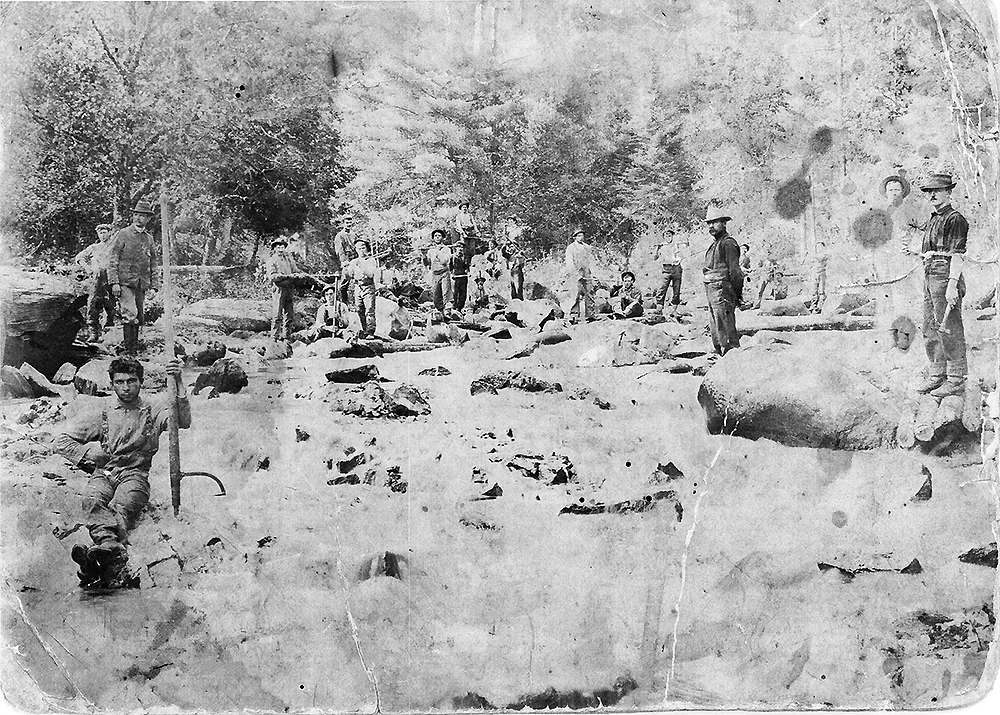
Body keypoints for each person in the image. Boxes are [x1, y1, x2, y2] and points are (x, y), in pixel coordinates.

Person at [54, 356, 190, 586]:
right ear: (111, 383)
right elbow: (61, 441)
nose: (126, 388)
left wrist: (178, 380)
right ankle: (108, 549)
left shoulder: (154, 409)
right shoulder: (103, 412)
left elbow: (182, 422)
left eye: (131, 381)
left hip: (135, 475)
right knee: (91, 501)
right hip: (104, 473)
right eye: (120, 382)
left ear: (141, 382)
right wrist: (88, 455)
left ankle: (96, 560)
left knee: (121, 505)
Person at [911, 172, 969, 397]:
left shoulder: (955, 219)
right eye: (929, 191)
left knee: (950, 327)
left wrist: (953, 285)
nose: (932, 195)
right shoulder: (934, 218)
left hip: (945, 274)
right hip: (929, 273)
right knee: (929, 326)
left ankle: (955, 378)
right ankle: (937, 374)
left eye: (937, 191)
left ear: (949, 192)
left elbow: (958, 254)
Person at [108, 201, 157, 354]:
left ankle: (134, 348)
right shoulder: (123, 234)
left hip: (141, 283)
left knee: (139, 316)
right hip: (125, 282)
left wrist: (155, 285)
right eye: (136, 214)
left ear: (148, 219)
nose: (138, 218)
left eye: (142, 216)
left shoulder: (149, 239)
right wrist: (114, 282)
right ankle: (130, 351)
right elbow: (113, 258)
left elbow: (153, 262)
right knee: (130, 313)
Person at [702, 206, 744, 356]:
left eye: (715, 222)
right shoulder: (714, 244)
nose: (711, 226)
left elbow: (735, 272)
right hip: (712, 290)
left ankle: (731, 356)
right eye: (709, 223)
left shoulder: (728, 243)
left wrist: (737, 294)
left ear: (724, 223)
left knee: (725, 327)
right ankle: (720, 354)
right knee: (716, 327)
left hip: (723, 290)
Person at [75, 223, 116, 342]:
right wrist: (88, 269)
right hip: (96, 280)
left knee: (110, 305)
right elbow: (79, 258)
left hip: (110, 279)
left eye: (105, 232)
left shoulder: (114, 246)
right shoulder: (93, 247)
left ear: (109, 233)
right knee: (93, 304)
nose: (103, 235)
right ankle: (93, 333)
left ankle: (108, 334)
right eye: (100, 233)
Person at [265, 236, 301, 342]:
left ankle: (287, 337)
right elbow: (272, 276)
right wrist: (286, 276)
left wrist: (299, 275)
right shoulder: (272, 261)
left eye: (282, 246)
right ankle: (274, 337)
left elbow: (295, 271)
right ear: (275, 249)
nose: (281, 249)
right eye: (278, 246)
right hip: (279, 289)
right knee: (277, 314)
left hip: (289, 289)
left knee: (289, 315)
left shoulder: (288, 260)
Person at [345, 238, 380, 338]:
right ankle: (364, 330)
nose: (361, 250)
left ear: (367, 249)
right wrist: (349, 267)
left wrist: (360, 266)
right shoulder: (354, 261)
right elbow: (350, 275)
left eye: (363, 248)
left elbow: (370, 274)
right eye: (358, 248)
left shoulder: (371, 260)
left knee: (369, 309)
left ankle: (370, 332)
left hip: (368, 287)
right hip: (358, 287)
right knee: (359, 309)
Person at [565, 229, 595, 323]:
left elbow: (592, 261)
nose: (581, 237)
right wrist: (576, 275)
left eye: (582, 236)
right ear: (574, 237)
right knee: (575, 294)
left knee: (590, 293)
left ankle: (590, 315)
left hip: (587, 273)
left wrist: (593, 273)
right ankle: (574, 316)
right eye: (578, 236)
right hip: (576, 273)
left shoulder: (587, 247)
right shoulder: (570, 248)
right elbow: (569, 263)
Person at [654, 227, 683, 317]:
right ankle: (659, 309)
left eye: (670, 235)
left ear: (672, 236)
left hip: (676, 268)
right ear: (664, 237)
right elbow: (655, 257)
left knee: (676, 289)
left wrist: (677, 256)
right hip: (666, 269)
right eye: (666, 236)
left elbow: (681, 254)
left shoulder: (676, 244)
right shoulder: (661, 246)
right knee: (662, 288)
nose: (668, 237)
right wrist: (657, 249)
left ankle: (674, 310)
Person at [424, 229, 453, 317]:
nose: (437, 237)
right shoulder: (430, 251)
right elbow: (427, 264)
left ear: (442, 238)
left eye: (439, 236)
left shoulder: (446, 249)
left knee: (446, 293)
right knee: (436, 295)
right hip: (435, 274)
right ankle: (440, 313)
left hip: (444, 273)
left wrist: (438, 252)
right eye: (435, 236)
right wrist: (423, 255)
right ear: (433, 238)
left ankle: (448, 312)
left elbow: (444, 261)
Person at [451, 244, 469, 313]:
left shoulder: (465, 257)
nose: (460, 249)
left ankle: (460, 307)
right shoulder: (453, 257)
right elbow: (450, 266)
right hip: (456, 276)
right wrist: (452, 273)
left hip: (464, 276)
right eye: (459, 247)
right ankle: (455, 306)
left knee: (463, 292)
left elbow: (467, 266)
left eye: (462, 247)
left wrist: (467, 270)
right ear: (456, 248)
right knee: (456, 292)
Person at [811, 241, 829, 313]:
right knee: (814, 290)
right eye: (817, 247)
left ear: (823, 247)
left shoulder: (825, 256)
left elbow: (821, 259)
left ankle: (820, 307)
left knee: (822, 291)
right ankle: (813, 306)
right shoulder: (814, 256)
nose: (818, 249)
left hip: (822, 273)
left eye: (820, 247)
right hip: (815, 273)